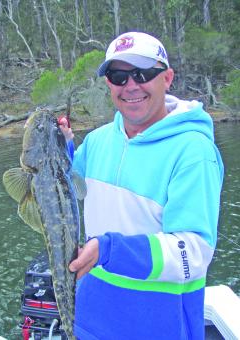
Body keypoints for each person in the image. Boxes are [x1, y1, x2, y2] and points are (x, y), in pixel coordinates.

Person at [64, 32, 224, 340]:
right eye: (118, 75)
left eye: (143, 73)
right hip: (89, 320)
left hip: (155, 327)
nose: (131, 85)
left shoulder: (193, 152)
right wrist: (62, 150)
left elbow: (194, 255)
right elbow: (70, 185)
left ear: (167, 77)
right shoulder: (97, 141)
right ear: (108, 83)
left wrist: (111, 250)